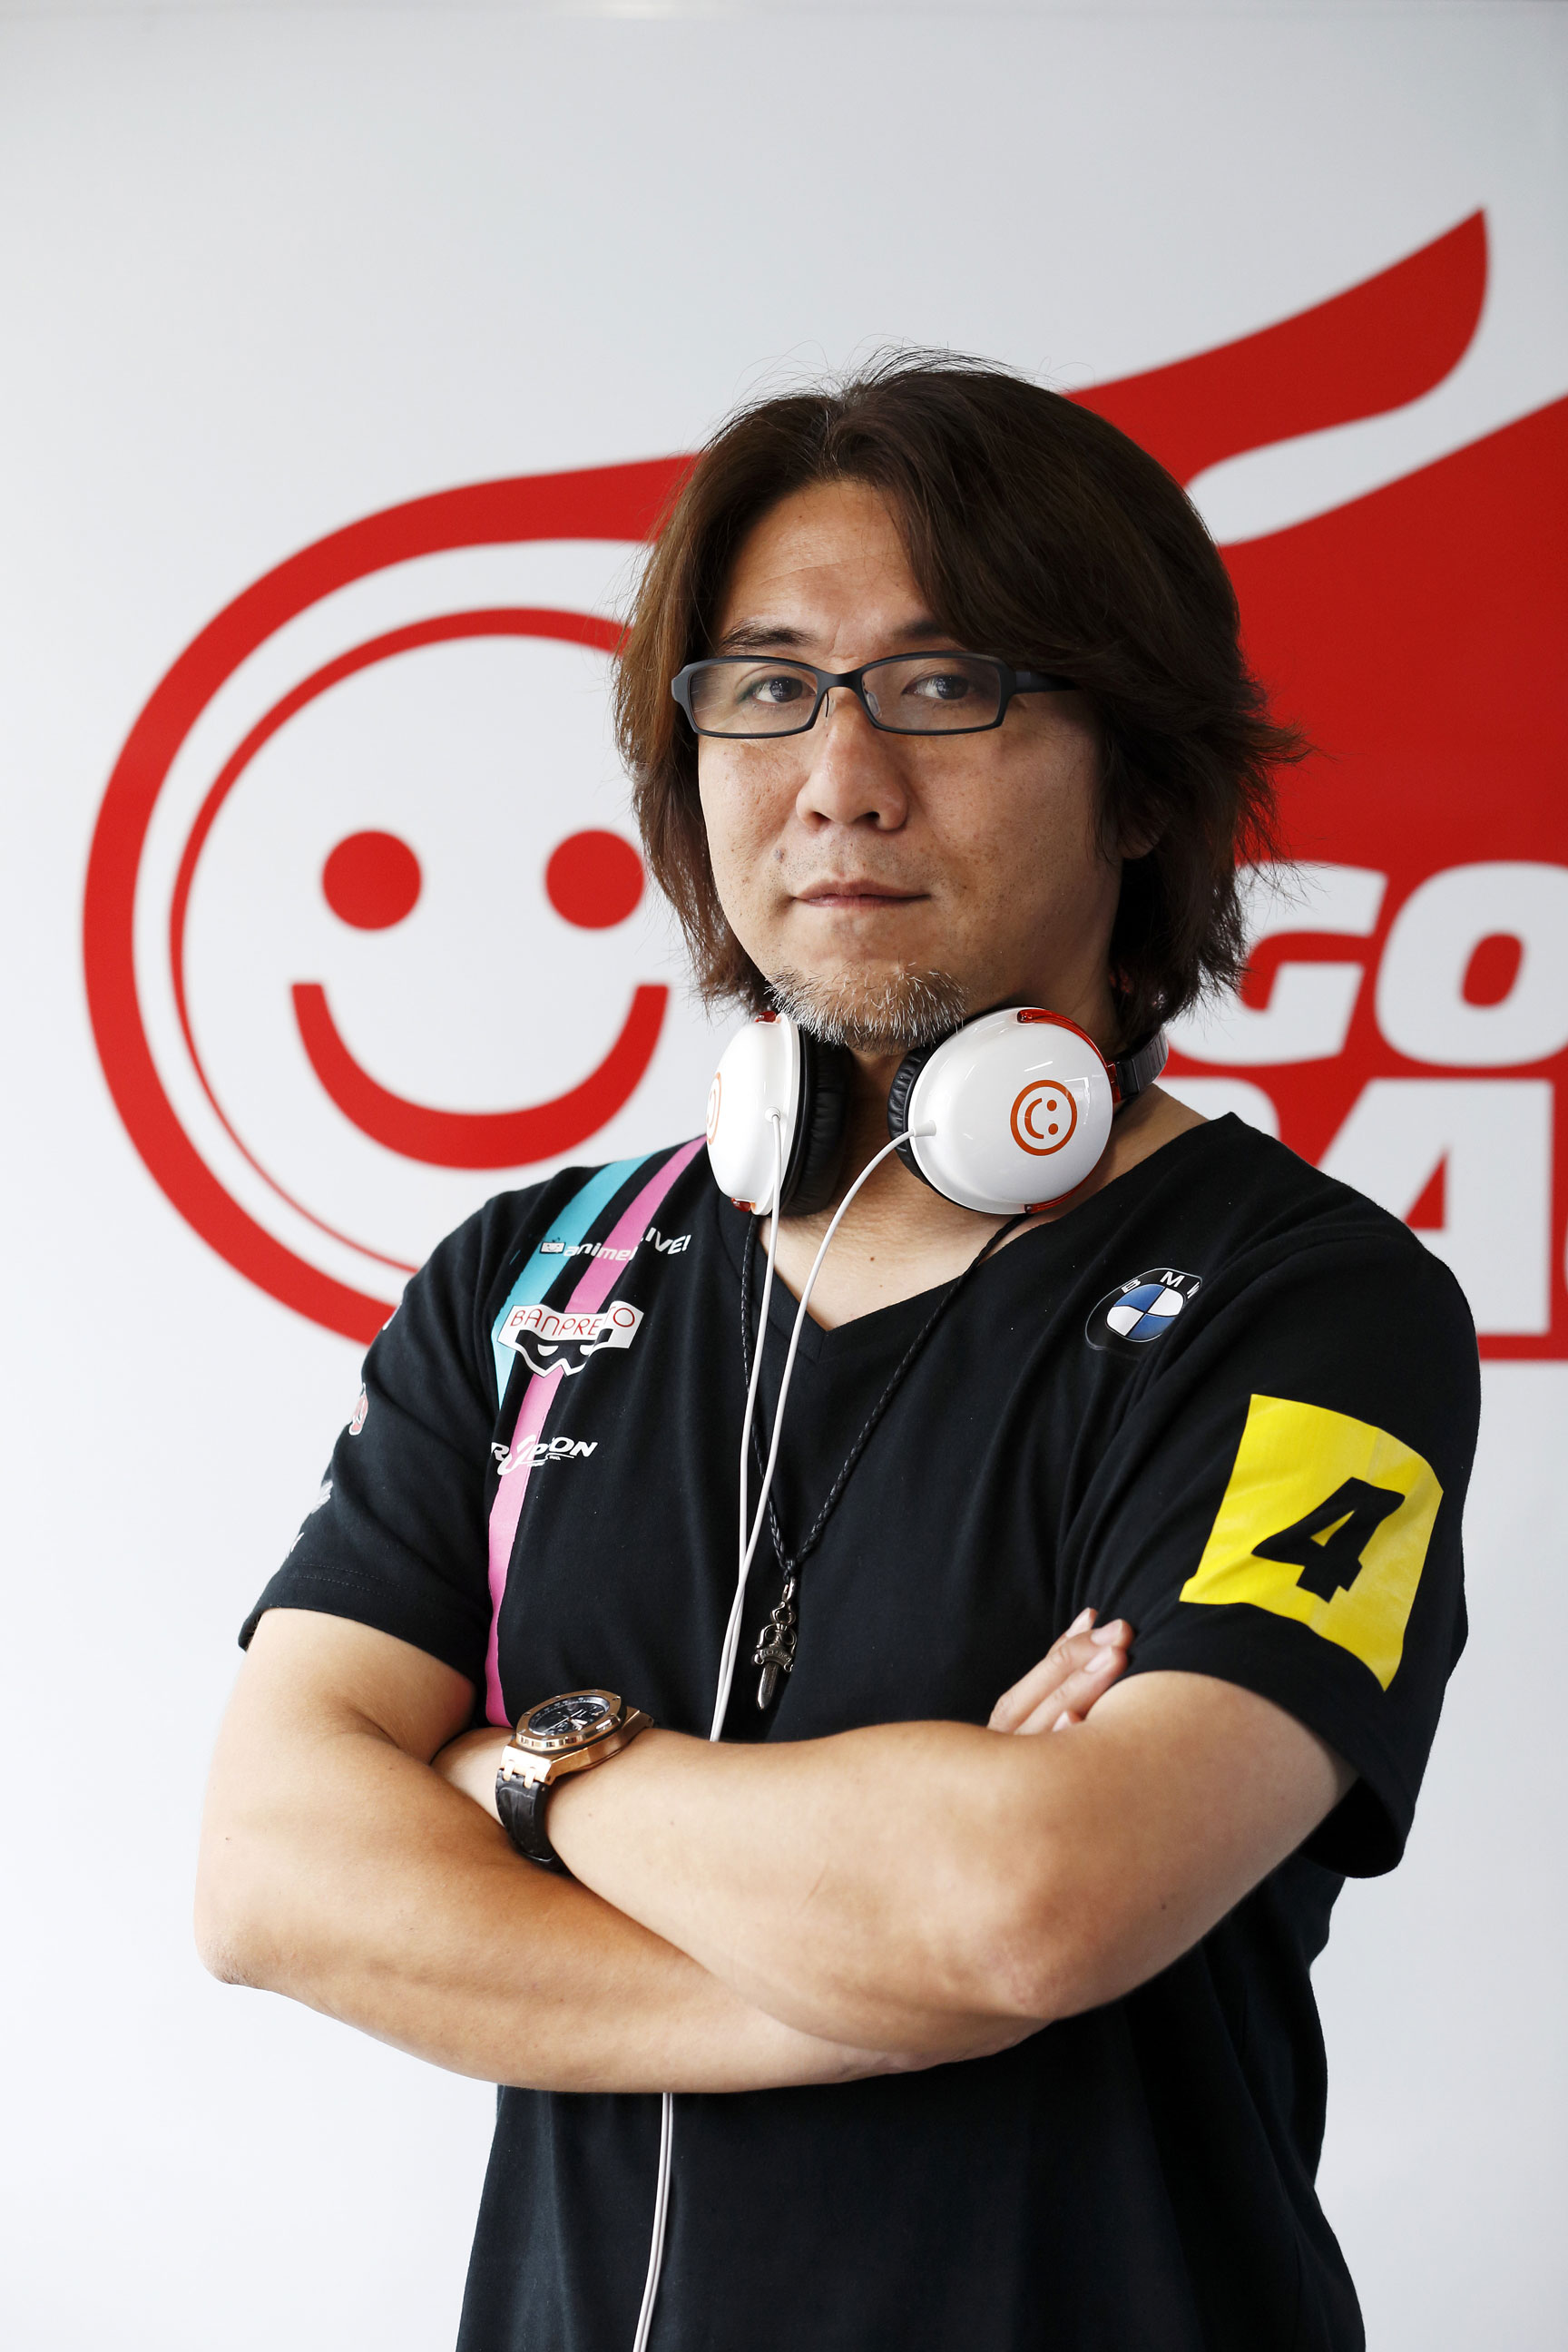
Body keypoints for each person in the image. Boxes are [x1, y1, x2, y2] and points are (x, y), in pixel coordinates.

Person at [196, 356, 1478, 2352]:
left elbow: (1031, 1904)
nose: (842, 777)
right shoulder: (532, 1277)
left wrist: (524, 1766)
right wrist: (861, 2005)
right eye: (767, 688)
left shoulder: (1311, 1307)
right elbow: (273, 1871)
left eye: (946, 685)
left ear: (1142, 781)